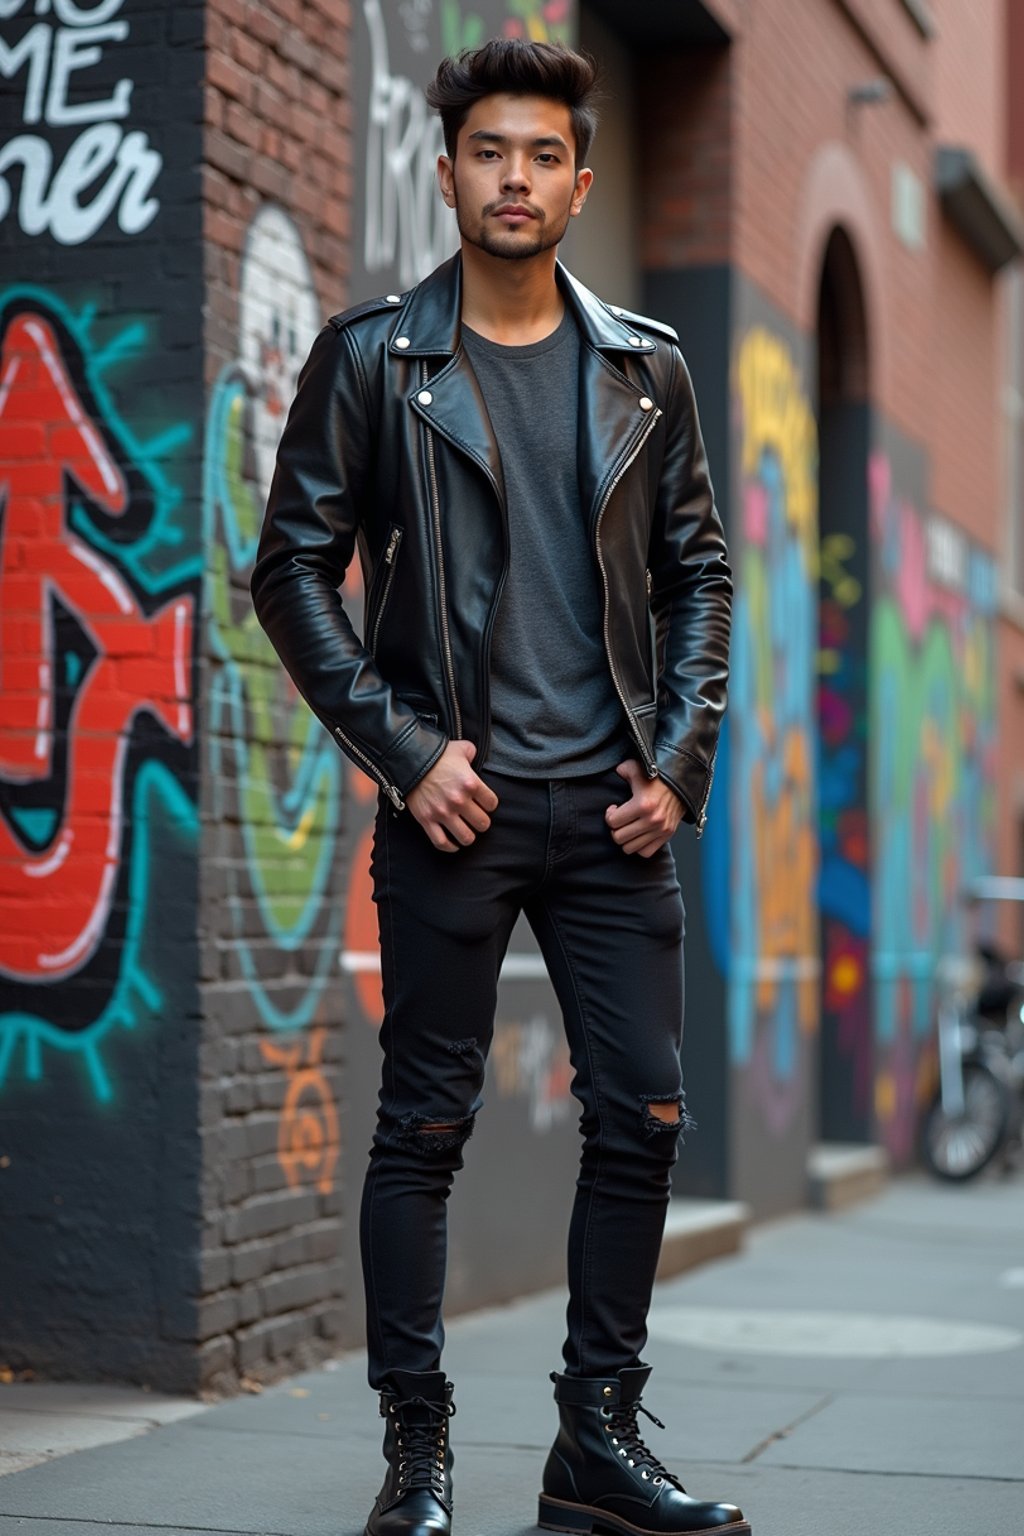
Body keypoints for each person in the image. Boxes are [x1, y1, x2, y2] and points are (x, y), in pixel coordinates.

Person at [252, 38, 747, 1536]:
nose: (515, 178)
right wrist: (405, 753)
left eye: (542, 156)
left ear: (581, 182)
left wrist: (681, 766)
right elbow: (288, 568)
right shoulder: (374, 358)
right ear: (449, 169)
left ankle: (593, 1441)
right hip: (456, 808)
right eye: (488, 152)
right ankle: (420, 1452)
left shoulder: (644, 363)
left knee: (646, 1117)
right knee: (423, 1128)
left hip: (612, 813)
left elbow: (700, 573)